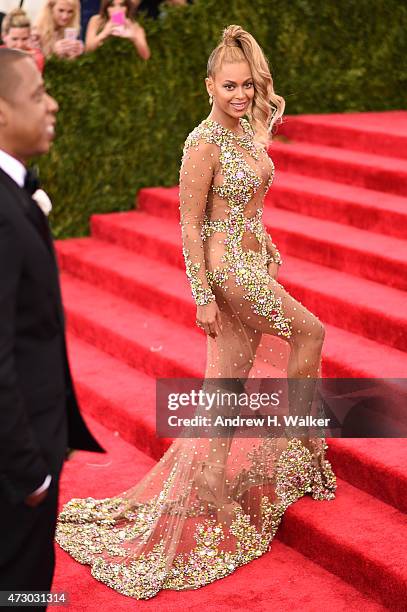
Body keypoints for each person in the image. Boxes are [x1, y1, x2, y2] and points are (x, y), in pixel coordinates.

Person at [55, 25, 337, 600]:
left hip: (254, 264)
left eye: (248, 85)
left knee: (228, 379)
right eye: (229, 85)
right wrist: (202, 294)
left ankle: (210, 474)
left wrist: (264, 241)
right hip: (230, 274)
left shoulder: (246, 130)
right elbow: (188, 223)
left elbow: (250, 196)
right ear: (208, 84)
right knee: (311, 333)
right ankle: (303, 444)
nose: (240, 94)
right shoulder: (203, 142)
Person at [0, 48, 105, 603]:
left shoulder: (15, 194)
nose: (53, 105)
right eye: (39, 94)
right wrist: (30, 475)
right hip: (16, 469)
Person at [85, 0, 150, 60]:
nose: (117, 10)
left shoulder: (134, 26)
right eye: (112, 5)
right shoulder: (96, 21)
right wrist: (104, 34)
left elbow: (146, 56)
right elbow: (88, 50)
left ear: (127, 8)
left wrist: (134, 38)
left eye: (122, 5)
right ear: (106, 8)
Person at [1, 8, 45, 72]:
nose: (20, 45)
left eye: (25, 39)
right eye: (14, 39)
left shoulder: (36, 58)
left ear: (30, 36)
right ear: (4, 37)